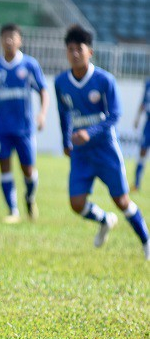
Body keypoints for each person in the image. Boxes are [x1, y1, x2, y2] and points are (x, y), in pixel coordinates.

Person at [55, 25, 150, 259]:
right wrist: (66, 140)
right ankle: (105, 220)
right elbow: (63, 113)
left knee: (122, 200)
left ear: (90, 52)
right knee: (76, 204)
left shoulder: (104, 80)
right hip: (81, 153)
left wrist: (89, 132)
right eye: (70, 49)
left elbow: (115, 115)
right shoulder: (61, 82)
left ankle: (147, 241)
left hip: (106, 149)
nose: (74, 53)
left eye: (79, 48)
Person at [0, 23, 49, 223]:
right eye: (5, 37)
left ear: (20, 40)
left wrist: (42, 114)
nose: (9, 41)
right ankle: (13, 211)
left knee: (28, 170)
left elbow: (43, 90)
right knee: (4, 167)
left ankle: (29, 196)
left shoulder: (29, 65)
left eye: (13, 37)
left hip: (25, 128)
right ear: (1, 40)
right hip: (1, 128)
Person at [132, 78, 150, 191]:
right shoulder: (148, 83)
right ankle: (137, 183)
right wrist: (137, 118)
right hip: (148, 123)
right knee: (142, 151)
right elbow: (143, 102)